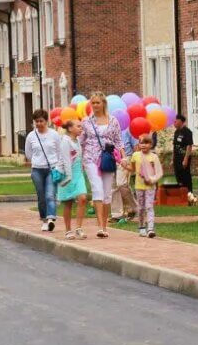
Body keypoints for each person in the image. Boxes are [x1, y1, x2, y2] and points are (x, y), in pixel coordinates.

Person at [81, 92, 124, 238]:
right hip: (90, 158)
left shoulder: (113, 121)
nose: (95, 106)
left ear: (103, 103)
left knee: (107, 193)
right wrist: (78, 161)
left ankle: (104, 226)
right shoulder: (86, 121)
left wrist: (122, 158)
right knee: (97, 190)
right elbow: (82, 141)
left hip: (107, 159)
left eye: (98, 103)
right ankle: (99, 226)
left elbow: (119, 141)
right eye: (93, 103)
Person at [122, 132, 164, 238]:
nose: (144, 145)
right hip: (139, 186)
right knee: (141, 208)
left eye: (146, 143)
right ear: (138, 145)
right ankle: (141, 227)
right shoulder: (135, 155)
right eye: (141, 143)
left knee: (149, 207)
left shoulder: (154, 157)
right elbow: (132, 169)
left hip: (150, 187)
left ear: (151, 144)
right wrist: (125, 166)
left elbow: (159, 172)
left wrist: (152, 180)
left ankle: (150, 228)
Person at [24, 109, 59, 232]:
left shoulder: (54, 135)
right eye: (36, 121)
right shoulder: (31, 136)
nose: (39, 123)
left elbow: (59, 151)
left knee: (50, 195)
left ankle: (51, 219)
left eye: (41, 121)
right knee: (41, 196)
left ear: (46, 121)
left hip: (52, 168)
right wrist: (36, 160)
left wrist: (58, 166)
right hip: (37, 169)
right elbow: (28, 153)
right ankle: (44, 219)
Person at [56, 118, 88, 239]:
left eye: (81, 126)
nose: (81, 128)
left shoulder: (77, 140)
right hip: (66, 175)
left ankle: (79, 228)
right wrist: (68, 177)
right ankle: (68, 230)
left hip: (78, 174)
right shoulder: (65, 141)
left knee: (83, 198)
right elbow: (65, 160)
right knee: (68, 202)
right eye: (78, 126)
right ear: (70, 128)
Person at [172, 114, 195, 191]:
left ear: (180, 121)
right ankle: (181, 194)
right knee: (178, 176)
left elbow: (189, 146)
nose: (174, 123)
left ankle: (189, 194)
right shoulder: (176, 132)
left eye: (175, 121)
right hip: (177, 159)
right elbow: (174, 146)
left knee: (185, 176)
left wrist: (185, 159)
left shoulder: (187, 132)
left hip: (184, 158)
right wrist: (173, 159)